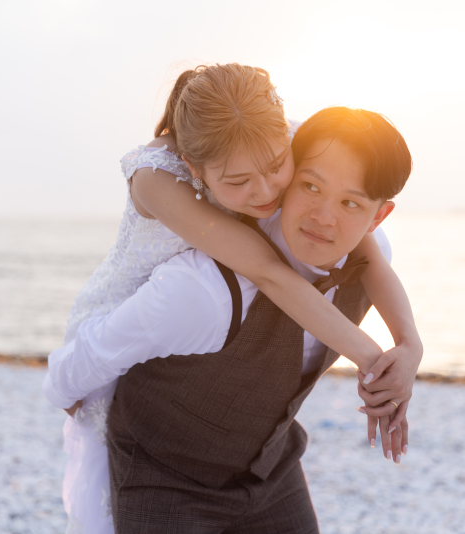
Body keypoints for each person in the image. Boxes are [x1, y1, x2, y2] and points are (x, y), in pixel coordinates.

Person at [47, 64, 422, 533]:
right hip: (163, 454)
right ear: (195, 169)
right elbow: (268, 274)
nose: (265, 192)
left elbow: (366, 239)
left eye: (275, 169)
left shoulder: (294, 147)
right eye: (238, 182)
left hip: (268, 465)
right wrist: (373, 360)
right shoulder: (161, 189)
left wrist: (409, 349)